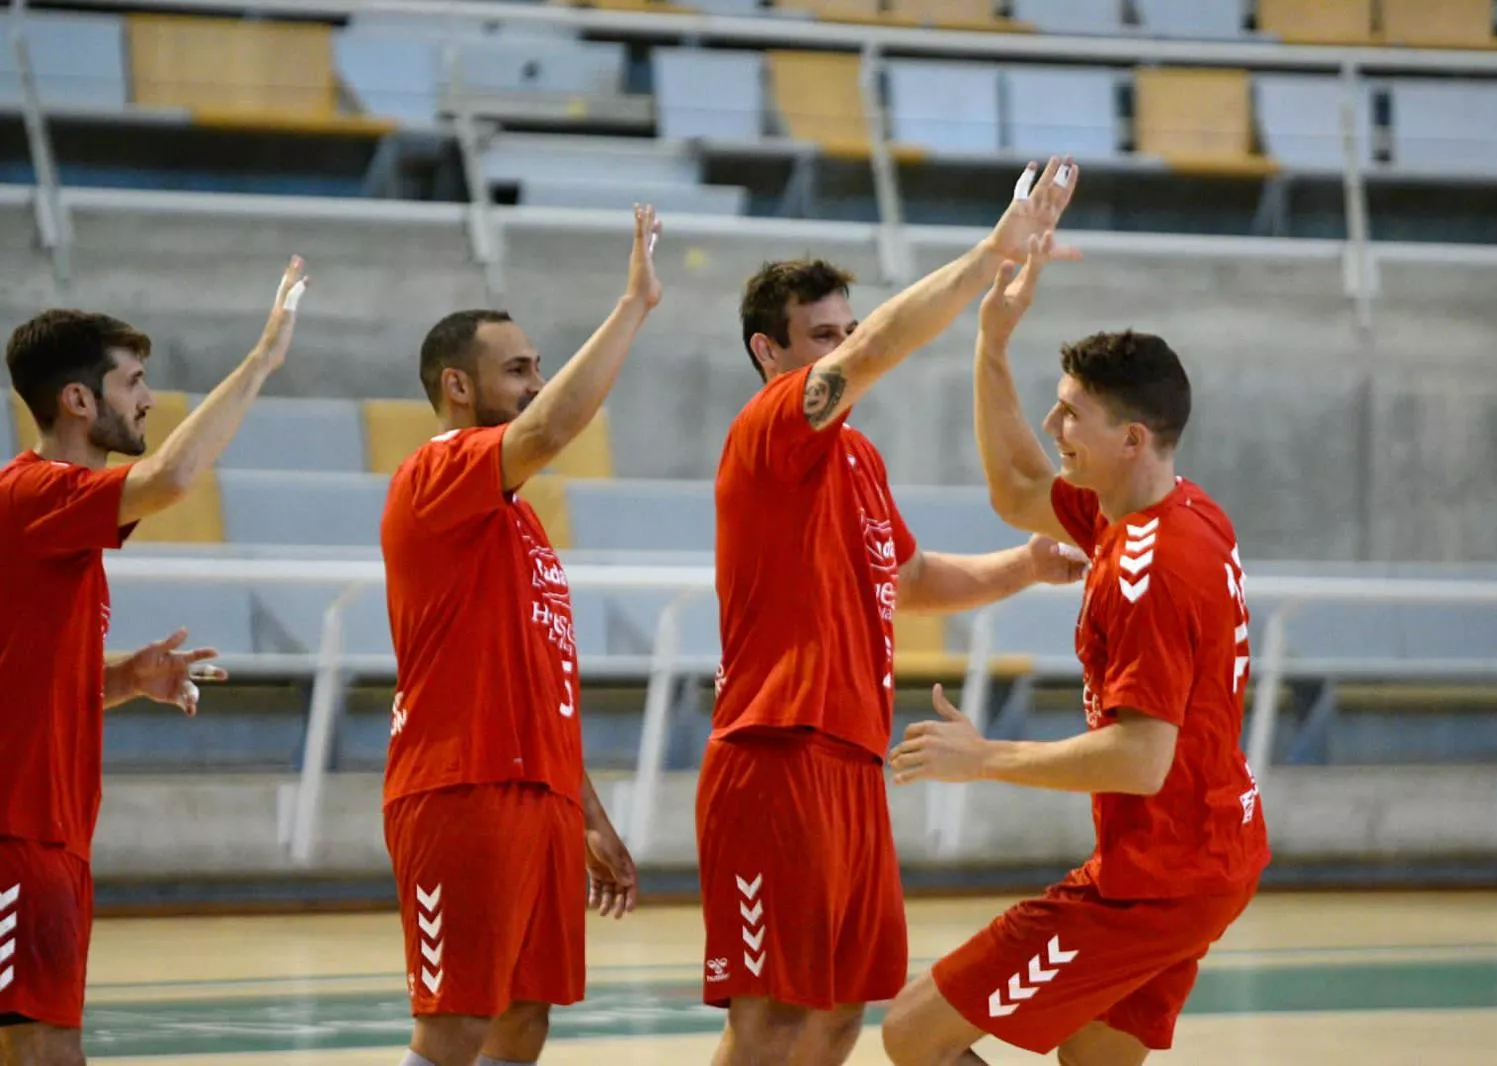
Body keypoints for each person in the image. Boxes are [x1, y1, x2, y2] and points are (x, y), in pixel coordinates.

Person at [698, 157, 1089, 1066]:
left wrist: (1025, 564)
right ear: (771, 352)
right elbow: (879, 348)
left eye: (844, 328)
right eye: (822, 335)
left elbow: (910, 581)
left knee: (839, 1015)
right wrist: (993, 252)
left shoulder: (858, 460)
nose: (842, 345)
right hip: (775, 751)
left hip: (847, 757)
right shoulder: (769, 432)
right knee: (771, 1020)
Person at [879, 229, 1272, 1066]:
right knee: (1093, 1056)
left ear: (1133, 438)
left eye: (1072, 414)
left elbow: (1139, 761)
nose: (1053, 423)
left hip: (1157, 879)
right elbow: (1017, 488)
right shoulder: (1173, 509)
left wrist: (984, 758)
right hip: (1209, 855)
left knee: (915, 1035)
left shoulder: (1150, 568)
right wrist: (990, 344)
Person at [0, 260, 310, 1066]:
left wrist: (123, 680)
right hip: (14, 831)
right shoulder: (33, 495)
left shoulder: (61, 524)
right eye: (133, 382)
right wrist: (261, 360)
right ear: (78, 400)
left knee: (46, 1044)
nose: (147, 400)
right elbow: (172, 475)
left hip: (53, 832)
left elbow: (22, 675)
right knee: (42, 1048)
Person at [379, 205, 663, 1066]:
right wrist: (632, 309)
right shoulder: (437, 473)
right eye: (518, 369)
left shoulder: (521, 521)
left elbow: (540, 681)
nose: (537, 381)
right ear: (458, 386)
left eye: (540, 366)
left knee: (523, 1018)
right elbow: (550, 429)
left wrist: (588, 813)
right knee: (455, 1025)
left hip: (538, 794)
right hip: (460, 785)